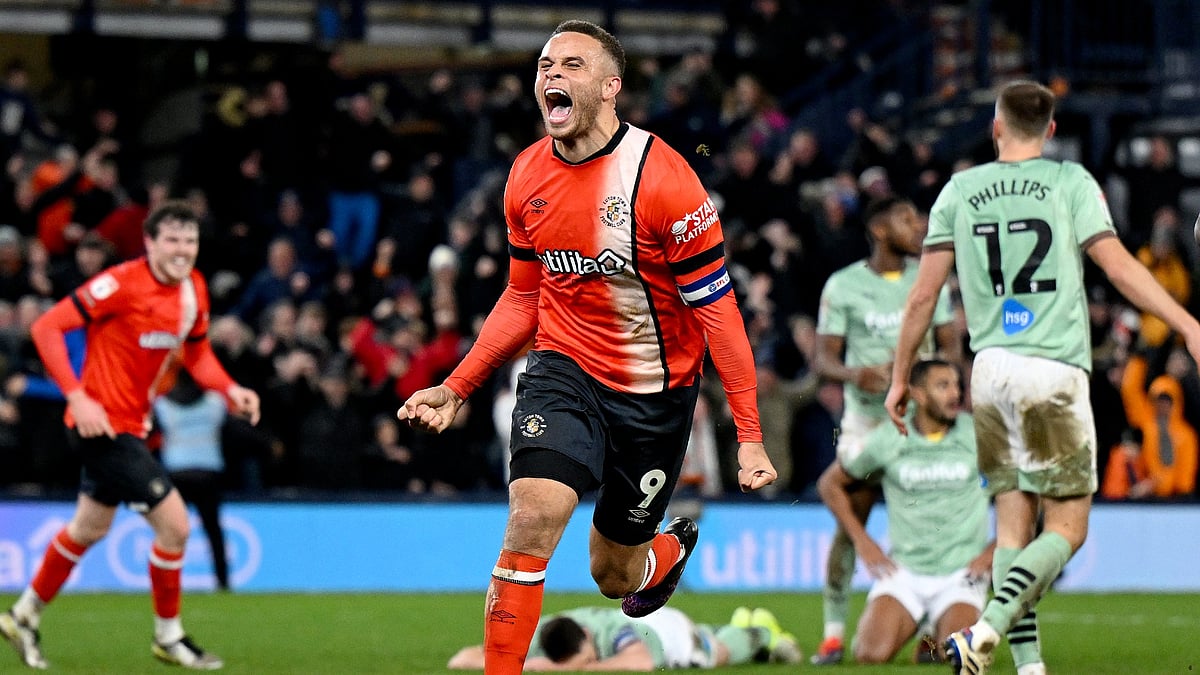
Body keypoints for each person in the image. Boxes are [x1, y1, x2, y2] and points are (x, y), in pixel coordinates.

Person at [397, 19, 777, 675]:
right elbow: (522, 297)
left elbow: (718, 313)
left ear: (610, 86)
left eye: (570, 64)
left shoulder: (665, 182)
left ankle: (660, 553)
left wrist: (748, 433)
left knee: (613, 572)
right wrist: (457, 386)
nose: (551, 75)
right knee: (532, 520)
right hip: (563, 370)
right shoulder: (526, 176)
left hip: (656, 395)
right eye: (544, 65)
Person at [884, 80, 1200, 675]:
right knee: (1069, 527)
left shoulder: (961, 189)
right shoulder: (1069, 183)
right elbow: (1117, 265)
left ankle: (1028, 667)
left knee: (1012, 529)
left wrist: (902, 378)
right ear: (1051, 132)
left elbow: (923, 294)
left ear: (996, 127)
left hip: (991, 371)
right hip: (1050, 369)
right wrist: (1185, 323)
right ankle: (988, 629)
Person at [0, 200, 261, 670]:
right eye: (173, 241)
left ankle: (23, 615)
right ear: (150, 243)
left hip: (131, 428)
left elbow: (197, 355)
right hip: (100, 427)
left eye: (190, 241)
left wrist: (229, 389)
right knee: (175, 526)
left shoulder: (193, 290)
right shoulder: (120, 283)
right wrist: (77, 396)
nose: (183, 250)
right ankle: (170, 637)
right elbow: (46, 326)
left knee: (88, 528)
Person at [810, 196, 961, 665]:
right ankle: (833, 634)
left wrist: (936, 388)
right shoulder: (844, 285)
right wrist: (856, 375)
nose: (916, 225)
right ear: (877, 229)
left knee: (931, 527)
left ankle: (932, 632)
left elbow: (951, 346)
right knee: (848, 521)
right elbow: (823, 359)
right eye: (906, 217)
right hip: (866, 422)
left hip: (919, 424)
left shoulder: (930, 279)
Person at [818, 359, 993, 665]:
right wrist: (863, 541)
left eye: (956, 385)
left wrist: (995, 549)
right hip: (906, 572)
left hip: (961, 573)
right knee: (870, 655)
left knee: (960, 657)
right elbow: (829, 484)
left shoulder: (978, 435)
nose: (955, 394)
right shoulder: (890, 437)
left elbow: (1023, 491)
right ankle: (925, 628)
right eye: (943, 386)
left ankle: (930, 634)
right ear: (918, 395)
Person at [446, 605, 801, 671]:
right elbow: (461, 658)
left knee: (710, 655)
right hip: (647, 622)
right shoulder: (545, 634)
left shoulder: (614, 634)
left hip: (664, 631)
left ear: (589, 637)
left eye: (587, 658)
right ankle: (740, 620)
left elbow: (643, 662)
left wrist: (570, 671)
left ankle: (758, 633)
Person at [154, 369, 232, 591]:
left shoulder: (163, 405)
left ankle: (166, 582)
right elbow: (232, 432)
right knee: (213, 531)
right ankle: (223, 581)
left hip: (177, 472)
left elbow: (150, 437)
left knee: (171, 532)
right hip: (208, 472)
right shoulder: (215, 403)